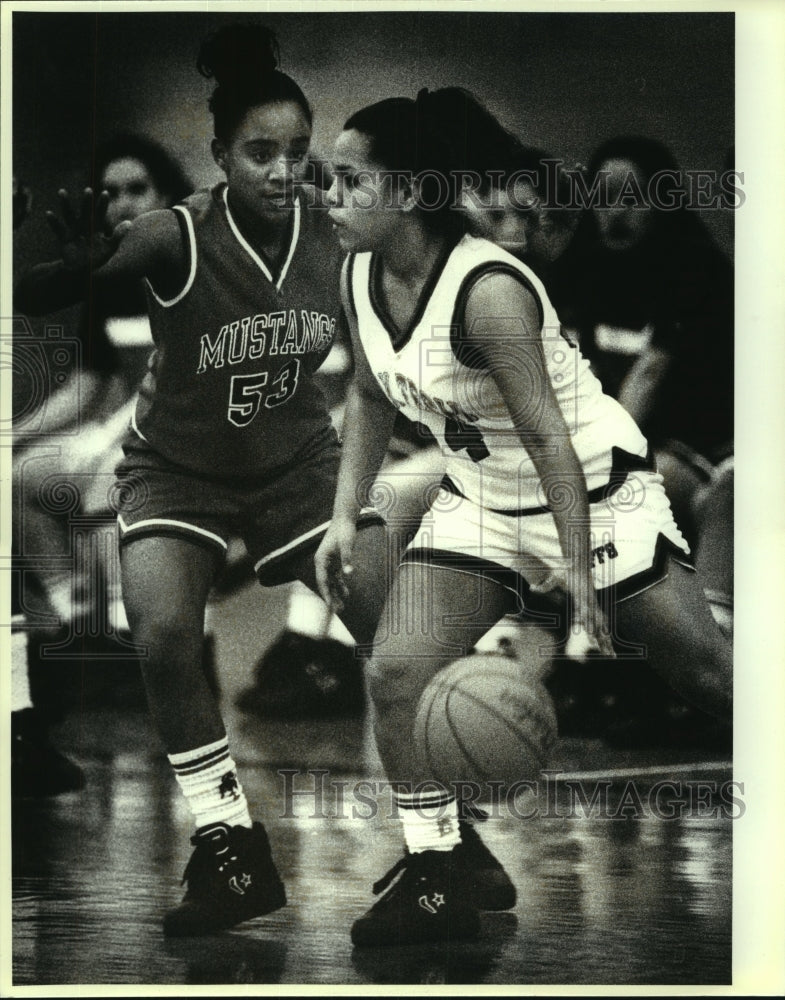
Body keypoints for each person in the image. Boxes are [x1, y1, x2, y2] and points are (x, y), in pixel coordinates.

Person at [314, 87, 732, 947]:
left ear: (409, 193)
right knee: (394, 672)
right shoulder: (357, 274)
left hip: (589, 490)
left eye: (350, 181)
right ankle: (442, 868)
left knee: (707, 678)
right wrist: (341, 515)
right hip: (484, 494)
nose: (329, 196)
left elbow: (549, 441)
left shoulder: (489, 290)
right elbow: (364, 395)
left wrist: (575, 570)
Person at [13, 23, 392, 937]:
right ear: (220, 155)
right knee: (164, 631)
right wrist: (52, 268)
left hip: (295, 467)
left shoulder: (337, 237)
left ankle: (445, 842)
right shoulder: (172, 234)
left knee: (394, 625)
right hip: (176, 471)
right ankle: (229, 849)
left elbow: (383, 352)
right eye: (260, 152)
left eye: (298, 152)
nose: (282, 169)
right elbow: (47, 286)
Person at [548, 136, 734, 545]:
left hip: (695, 447)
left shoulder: (698, 272)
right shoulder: (582, 273)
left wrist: (594, 460)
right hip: (622, 440)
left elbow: (649, 375)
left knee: (625, 490)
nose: (615, 213)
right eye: (604, 198)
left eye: (632, 198)